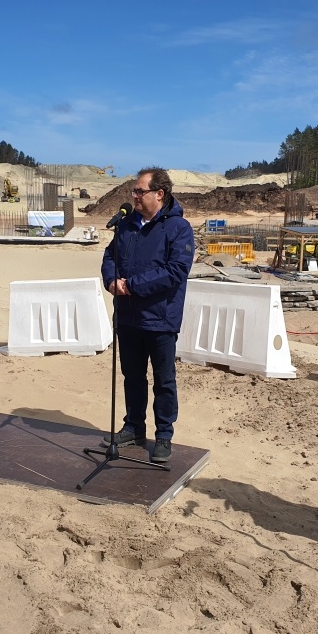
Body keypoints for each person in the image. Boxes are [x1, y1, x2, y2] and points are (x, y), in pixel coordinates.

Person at [101, 167, 194, 462]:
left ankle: (164, 435)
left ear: (159, 194)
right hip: (128, 317)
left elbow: (175, 271)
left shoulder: (179, 229)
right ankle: (134, 427)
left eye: (140, 191)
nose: (135, 196)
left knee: (164, 380)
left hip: (160, 318)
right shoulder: (126, 224)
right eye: (134, 191)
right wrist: (111, 281)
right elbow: (109, 256)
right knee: (132, 376)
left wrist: (131, 286)